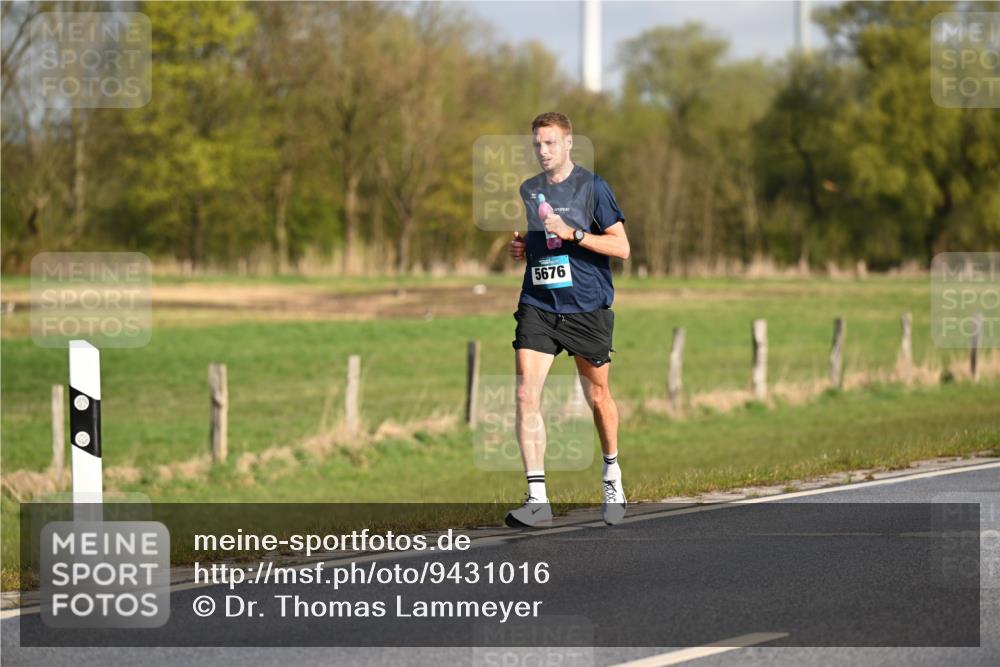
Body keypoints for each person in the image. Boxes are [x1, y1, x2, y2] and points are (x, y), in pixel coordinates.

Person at [505, 111, 630, 528]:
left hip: (586, 306)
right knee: (525, 395)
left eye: (550, 143)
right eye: (537, 144)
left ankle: (611, 472)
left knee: (597, 398)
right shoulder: (529, 190)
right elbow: (540, 234)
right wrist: (525, 247)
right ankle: (538, 500)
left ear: (569, 143)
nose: (542, 151)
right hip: (539, 303)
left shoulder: (594, 188)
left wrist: (575, 233)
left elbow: (622, 248)